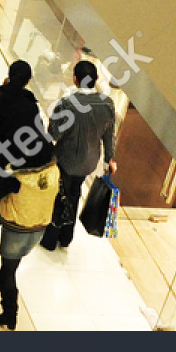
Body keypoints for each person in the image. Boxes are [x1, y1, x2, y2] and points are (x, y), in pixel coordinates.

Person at [41, 58, 118, 251]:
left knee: (60, 195)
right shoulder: (107, 104)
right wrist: (110, 158)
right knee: (74, 194)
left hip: (66, 159)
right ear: (97, 78)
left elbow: (53, 134)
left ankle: (50, 239)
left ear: (75, 79)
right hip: (89, 161)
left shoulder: (67, 104)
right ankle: (66, 237)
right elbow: (109, 134)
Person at [0, 59, 52, 251]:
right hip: (14, 158)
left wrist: (3, 87)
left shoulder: (0, 95)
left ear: (9, 76)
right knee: (2, 194)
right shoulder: (29, 104)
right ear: (28, 81)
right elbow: (36, 130)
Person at [0, 148, 59, 330]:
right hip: (39, 226)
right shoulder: (53, 171)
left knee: (10, 270)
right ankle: (1, 276)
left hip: (17, 228)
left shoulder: (17, 178)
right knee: (13, 261)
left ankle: (10, 314)